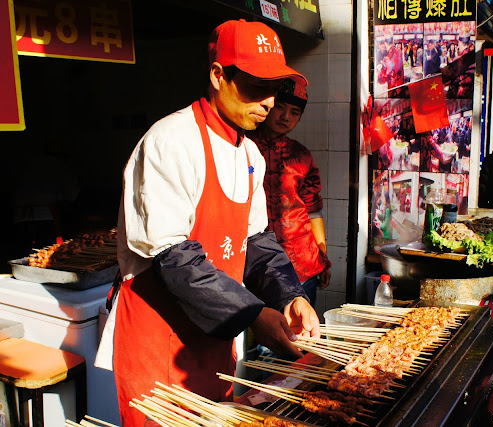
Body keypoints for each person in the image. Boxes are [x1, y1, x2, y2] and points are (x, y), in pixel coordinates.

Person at [95, 20, 319, 426]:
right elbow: (173, 259)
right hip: (159, 340)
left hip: (214, 337)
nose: (269, 101)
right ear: (218, 75)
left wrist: (289, 296)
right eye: (255, 86)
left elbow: (257, 241)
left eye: (275, 88)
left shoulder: (251, 154)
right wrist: (253, 316)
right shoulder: (171, 141)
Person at [247, 79, 332, 307]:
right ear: (268, 105)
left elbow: (313, 210)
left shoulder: (301, 155)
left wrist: (322, 257)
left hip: (302, 265)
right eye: (280, 108)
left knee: (299, 336)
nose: (286, 117)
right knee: (265, 335)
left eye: (294, 112)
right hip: (255, 262)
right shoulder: (243, 147)